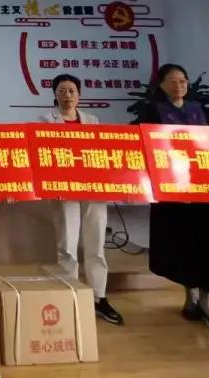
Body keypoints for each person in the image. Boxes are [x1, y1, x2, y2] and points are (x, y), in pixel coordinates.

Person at [140, 63, 209, 334]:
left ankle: (206, 302)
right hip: (173, 190)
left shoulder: (198, 109)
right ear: (161, 85)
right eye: (172, 81)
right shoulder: (153, 111)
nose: (178, 86)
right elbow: (147, 146)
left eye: (182, 81)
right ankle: (190, 298)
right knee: (184, 243)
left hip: (203, 188)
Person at [41, 74, 124, 326]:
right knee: (67, 245)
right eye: (62, 90)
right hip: (63, 189)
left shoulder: (92, 120)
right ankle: (71, 295)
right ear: (55, 94)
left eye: (72, 91)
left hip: (92, 189)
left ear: (79, 95)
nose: (67, 95)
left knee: (96, 244)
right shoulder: (45, 121)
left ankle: (99, 298)